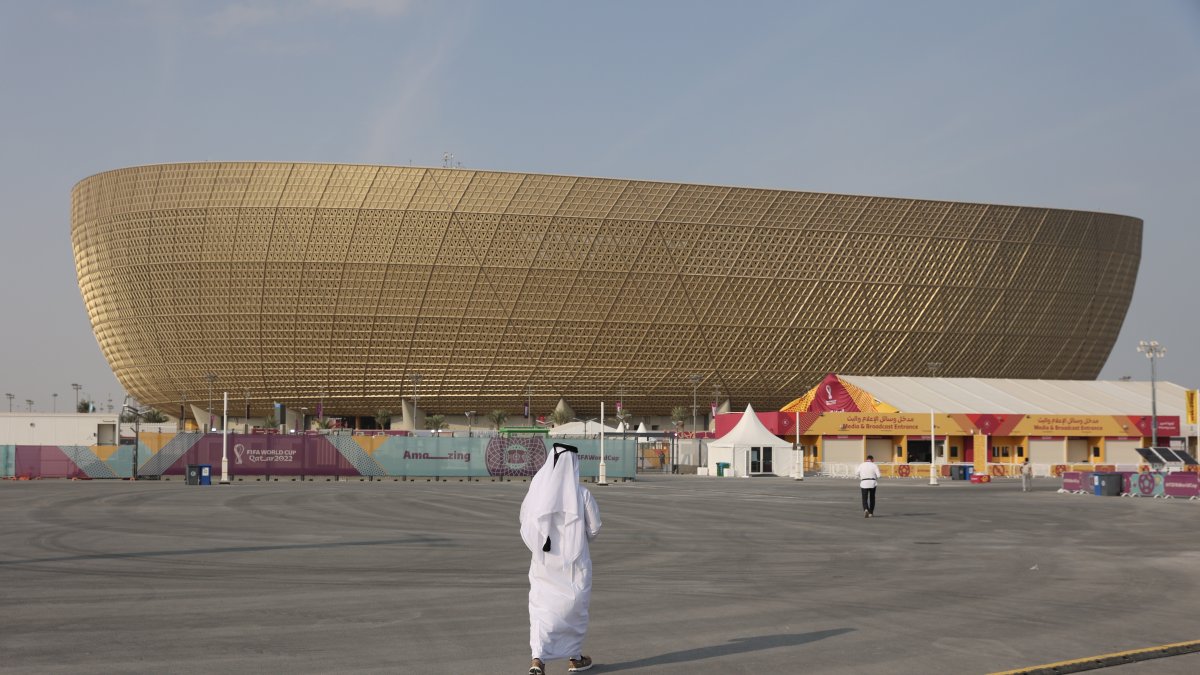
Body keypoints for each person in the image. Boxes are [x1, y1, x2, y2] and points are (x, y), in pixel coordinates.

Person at [520, 443, 602, 674]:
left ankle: (538, 660)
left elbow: (526, 524)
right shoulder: (582, 494)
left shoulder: (536, 492)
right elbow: (595, 529)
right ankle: (575, 658)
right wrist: (577, 540)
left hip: (544, 563)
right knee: (574, 608)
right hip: (574, 563)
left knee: (541, 608)